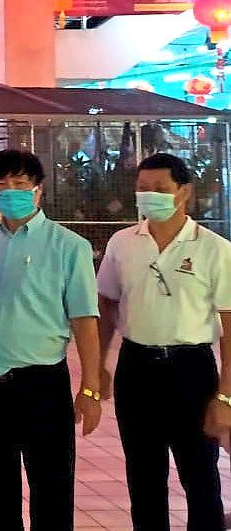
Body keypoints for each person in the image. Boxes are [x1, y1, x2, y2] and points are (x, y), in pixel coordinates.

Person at [0, 149, 102, 531]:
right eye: (1, 185)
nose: (10, 192)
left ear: (38, 191)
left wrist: (90, 388)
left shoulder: (70, 247)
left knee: (51, 491)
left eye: (20, 184)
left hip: (41, 384)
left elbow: (85, 320)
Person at [97, 153, 231, 531]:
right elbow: (106, 304)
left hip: (192, 369)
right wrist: (99, 367)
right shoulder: (123, 243)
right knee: (143, 476)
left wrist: (225, 396)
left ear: (184, 192)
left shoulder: (213, 248)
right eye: (142, 189)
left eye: (160, 189)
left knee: (200, 474)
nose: (149, 196)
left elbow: (230, 324)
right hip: (136, 368)